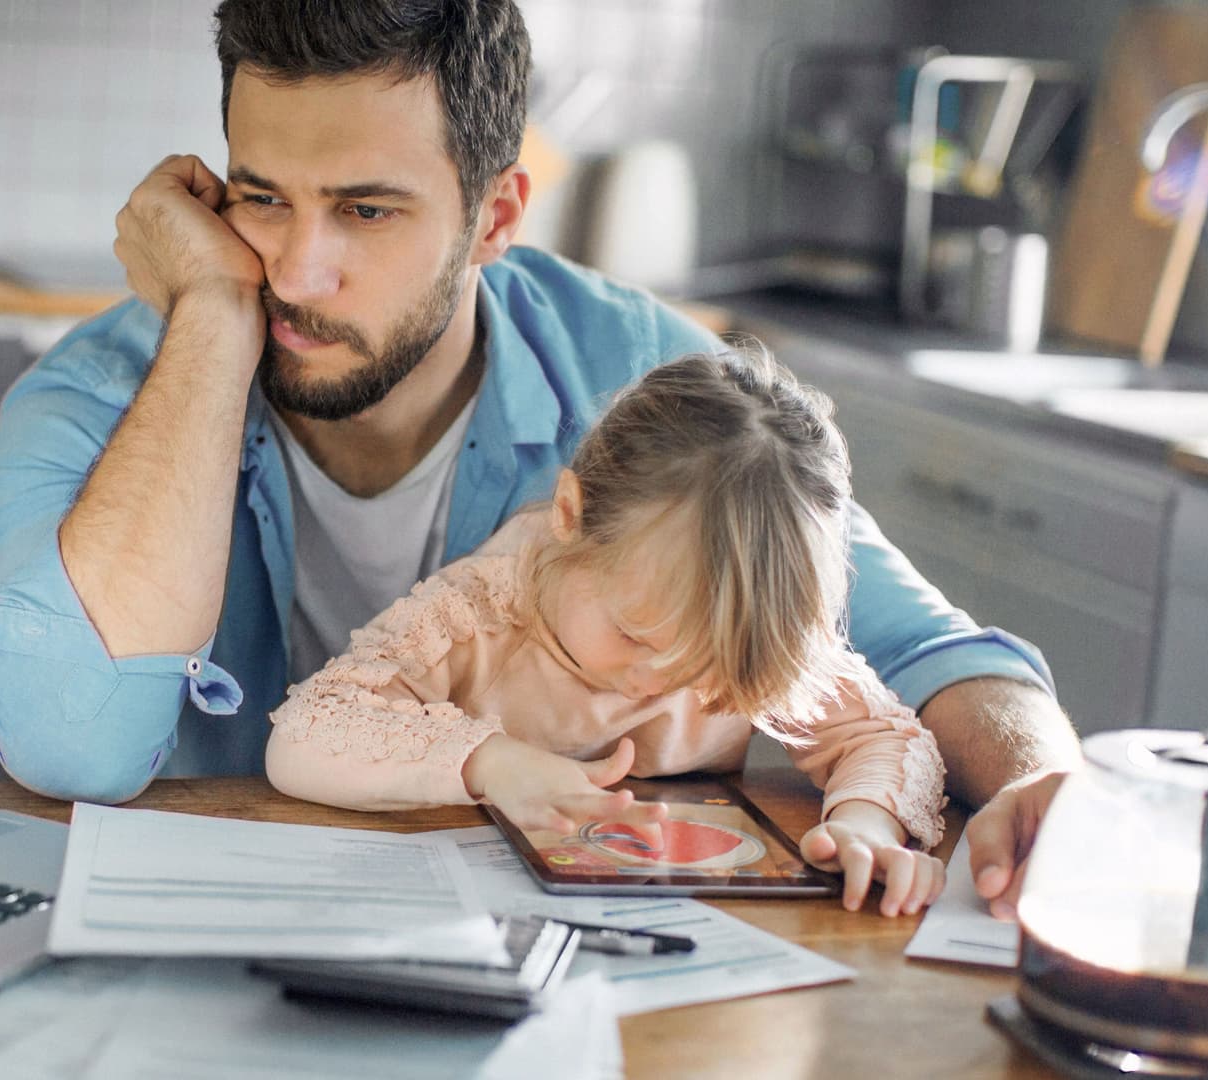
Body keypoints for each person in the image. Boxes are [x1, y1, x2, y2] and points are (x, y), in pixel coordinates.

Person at [0, 0, 1081, 912]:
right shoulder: (102, 395)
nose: (298, 273)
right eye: (263, 199)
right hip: (213, 942)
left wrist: (1042, 785)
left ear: (495, 217)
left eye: (366, 209)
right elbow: (75, 747)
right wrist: (212, 317)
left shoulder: (654, 387)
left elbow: (922, 648)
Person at [268, 347, 950, 915]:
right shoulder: (483, 612)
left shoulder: (736, 626)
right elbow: (307, 731)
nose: (657, 681)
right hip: (464, 913)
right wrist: (492, 762)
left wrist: (864, 823)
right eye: (634, 635)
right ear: (570, 514)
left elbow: (881, 735)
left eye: (701, 664)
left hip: (663, 914)